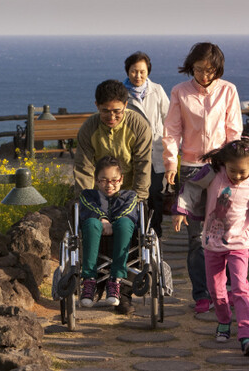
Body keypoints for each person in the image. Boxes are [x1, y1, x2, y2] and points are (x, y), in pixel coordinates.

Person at [172, 138, 249, 356]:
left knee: (240, 288)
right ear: (224, 164)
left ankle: (246, 335)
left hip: (239, 245)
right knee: (216, 291)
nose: (237, 176)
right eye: (232, 170)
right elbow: (190, 187)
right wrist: (181, 211)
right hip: (212, 244)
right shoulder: (213, 176)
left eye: (242, 172)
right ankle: (224, 321)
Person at [162, 42, 243, 313]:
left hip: (222, 168)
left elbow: (234, 131)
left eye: (210, 71)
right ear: (190, 67)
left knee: (226, 230)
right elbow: (172, 131)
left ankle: (228, 289)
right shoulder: (179, 92)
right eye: (198, 70)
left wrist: (233, 167)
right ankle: (201, 294)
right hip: (191, 168)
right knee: (196, 237)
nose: (204, 76)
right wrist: (171, 163)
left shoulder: (228, 90)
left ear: (217, 69)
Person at [74, 79, 152, 314]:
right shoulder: (89, 129)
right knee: (92, 227)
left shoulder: (138, 126)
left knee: (132, 234)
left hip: (129, 194)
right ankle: (94, 284)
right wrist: (94, 207)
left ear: (126, 105)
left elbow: (143, 166)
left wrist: (134, 202)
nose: (112, 117)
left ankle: (124, 292)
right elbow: (83, 169)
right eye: (105, 111)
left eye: (117, 111)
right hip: (97, 193)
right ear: (97, 105)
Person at [79, 156, 139, 308]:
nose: (109, 185)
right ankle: (89, 280)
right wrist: (103, 219)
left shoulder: (130, 196)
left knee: (125, 222)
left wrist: (111, 223)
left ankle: (116, 279)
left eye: (114, 180)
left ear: (121, 179)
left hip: (123, 236)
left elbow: (129, 211)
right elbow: (88, 209)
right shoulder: (88, 195)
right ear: (96, 180)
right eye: (103, 180)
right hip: (95, 236)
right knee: (92, 222)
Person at [124, 51, 170, 238]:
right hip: (131, 152)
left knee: (154, 193)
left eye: (142, 72)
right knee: (133, 194)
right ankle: (136, 235)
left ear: (148, 72)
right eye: (134, 71)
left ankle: (154, 233)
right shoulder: (121, 93)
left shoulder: (157, 90)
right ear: (128, 71)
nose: (138, 76)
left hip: (155, 152)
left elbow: (169, 118)